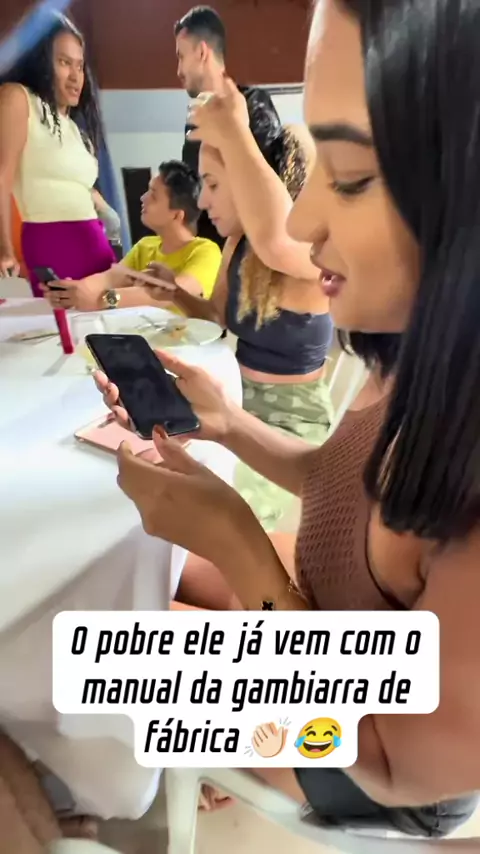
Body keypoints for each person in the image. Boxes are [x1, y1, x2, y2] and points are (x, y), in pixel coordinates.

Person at [97, 0, 480, 836]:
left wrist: (238, 542)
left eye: (350, 177)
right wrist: (229, 425)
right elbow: (346, 485)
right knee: (136, 578)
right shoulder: (415, 348)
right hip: (326, 626)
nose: (302, 224)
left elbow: (387, 756)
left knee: (95, 653)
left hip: (357, 755)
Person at [143, 81, 333, 530]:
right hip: (235, 406)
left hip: (290, 427)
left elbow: (278, 240)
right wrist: (176, 294)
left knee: (200, 521)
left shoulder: (308, 247)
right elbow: (219, 318)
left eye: (211, 184)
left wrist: (235, 134)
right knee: (156, 476)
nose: (202, 201)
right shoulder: (236, 243)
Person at [0, 14, 118, 294]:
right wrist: (4, 248)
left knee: (110, 320)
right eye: (64, 63)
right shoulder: (18, 99)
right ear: (42, 63)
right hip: (52, 247)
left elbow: (77, 186)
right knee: (60, 320)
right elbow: (2, 175)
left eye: (80, 65)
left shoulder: (75, 129)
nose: (76, 76)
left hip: (99, 252)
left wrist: (110, 215)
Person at [42, 160, 221, 314]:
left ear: (176, 215)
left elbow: (174, 293)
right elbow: (111, 277)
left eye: (153, 195)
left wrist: (103, 299)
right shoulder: (145, 246)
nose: (143, 198)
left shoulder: (206, 251)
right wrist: (76, 291)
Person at [175, 5, 281, 247]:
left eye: (181, 57)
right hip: (210, 260)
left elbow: (268, 193)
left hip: (252, 257)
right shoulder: (193, 124)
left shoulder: (254, 105)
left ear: (202, 52)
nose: (178, 70)